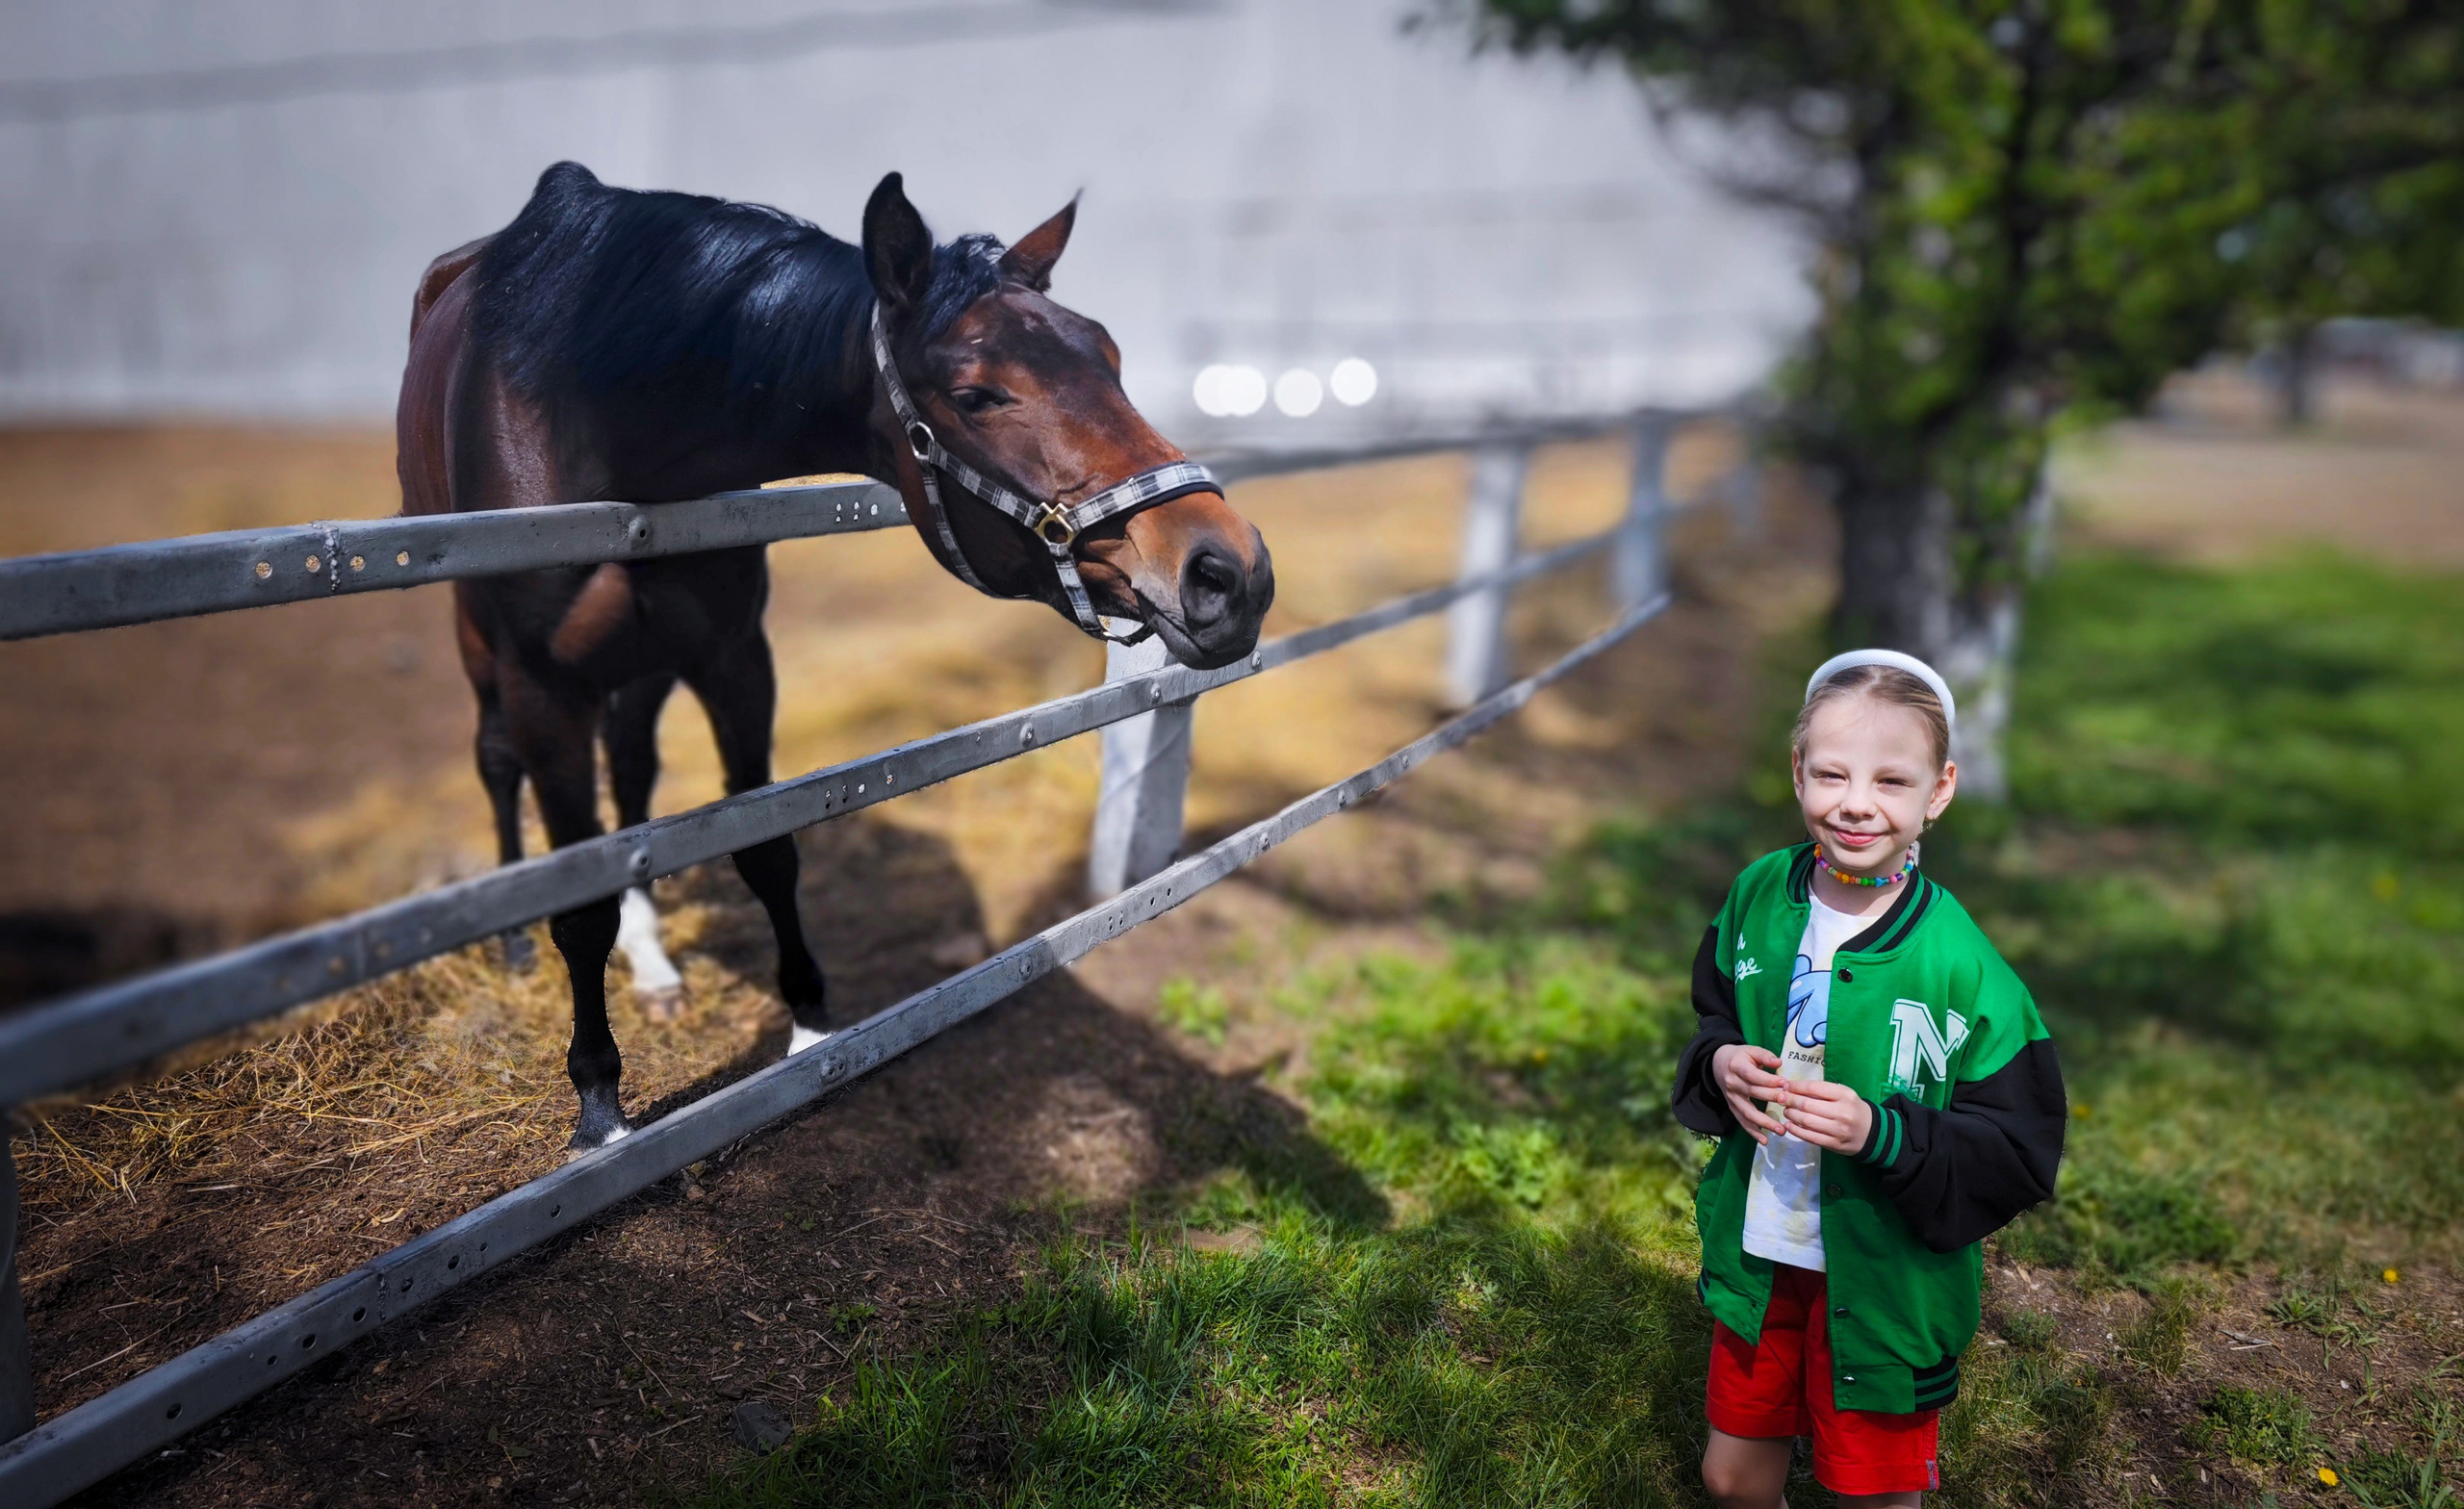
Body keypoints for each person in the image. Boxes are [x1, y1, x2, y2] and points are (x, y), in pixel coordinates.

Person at [1671, 650, 2067, 1508]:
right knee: (1731, 1479)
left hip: (1889, 1280)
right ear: (1797, 770)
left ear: (1941, 789)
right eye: (1832, 773)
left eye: (1892, 781)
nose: (1857, 802)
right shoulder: (1755, 897)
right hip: (1763, 1252)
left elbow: (2020, 1145)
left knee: (1872, 1496)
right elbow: (1713, 1017)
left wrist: (1878, 1132)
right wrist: (1719, 1064)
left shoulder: (1961, 964)